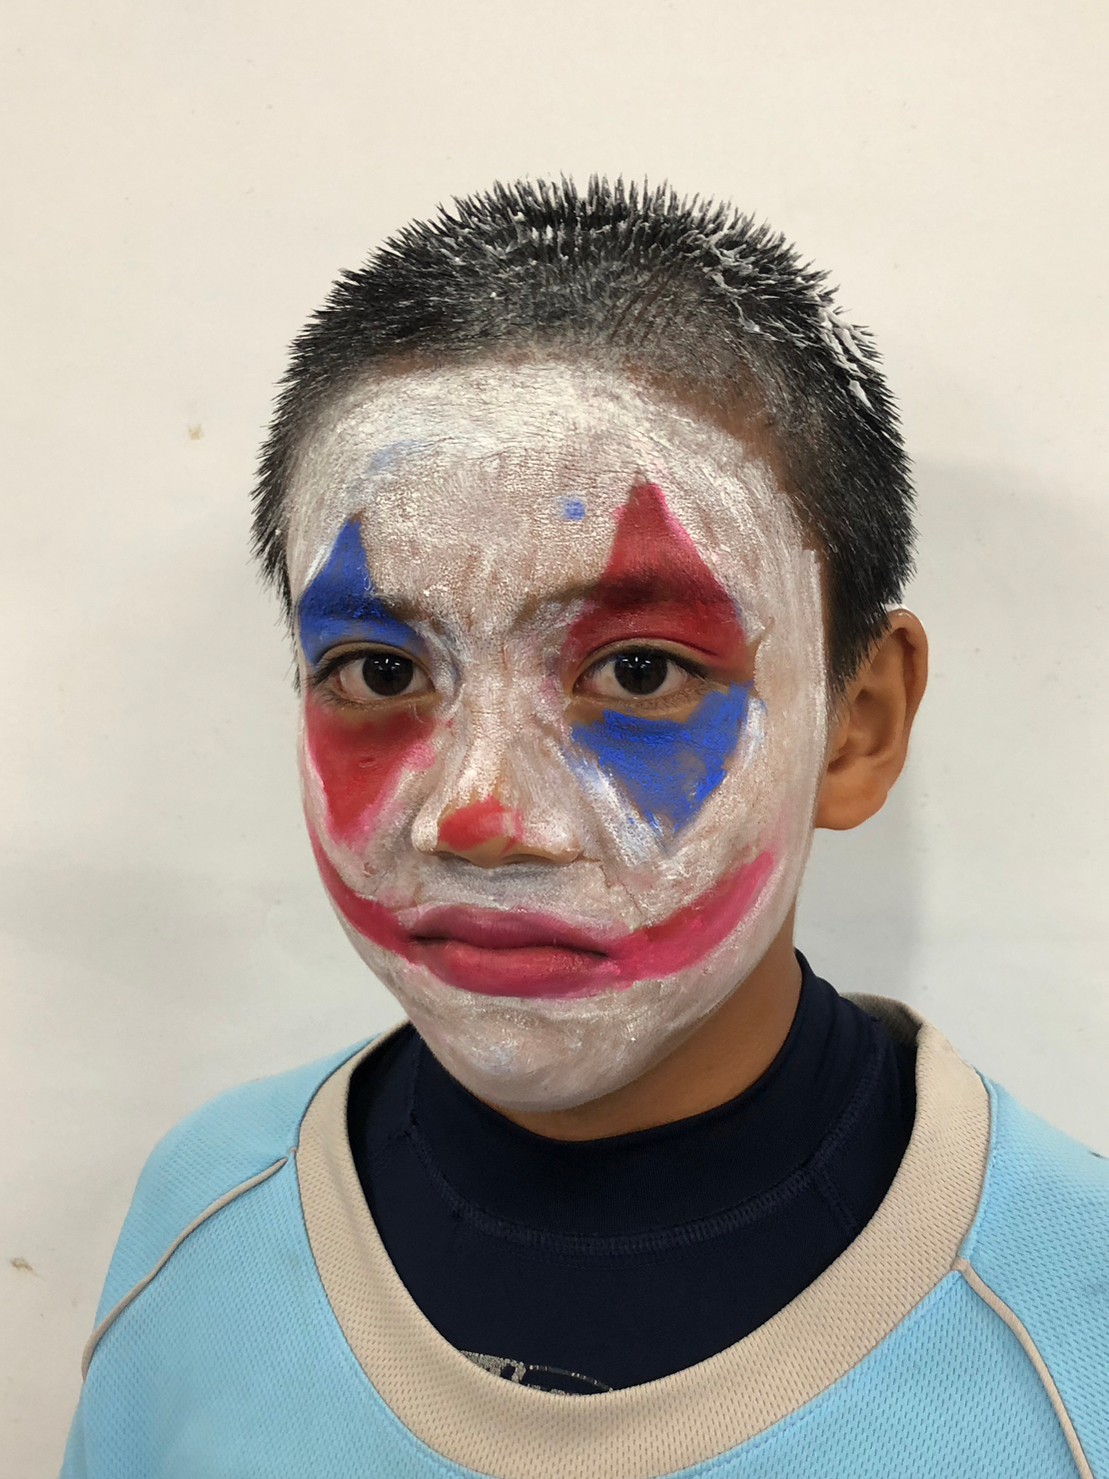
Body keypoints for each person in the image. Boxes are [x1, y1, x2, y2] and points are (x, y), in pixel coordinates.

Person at [61, 178, 1108, 1478]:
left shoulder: (1076, 1336)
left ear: (859, 723)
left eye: (639, 672)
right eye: (382, 671)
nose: (479, 817)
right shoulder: (199, 1226)